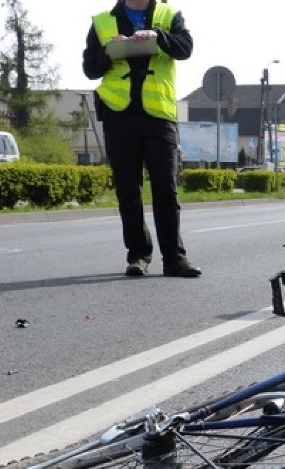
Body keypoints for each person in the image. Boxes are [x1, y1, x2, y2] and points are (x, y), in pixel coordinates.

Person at [82, 0, 201, 278]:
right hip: (118, 114)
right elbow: (90, 69)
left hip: (158, 115)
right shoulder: (102, 21)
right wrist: (109, 51)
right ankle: (138, 255)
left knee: (165, 189)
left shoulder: (169, 15)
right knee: (128, 189)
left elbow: (186, 49)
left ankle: (174, 259)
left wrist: (158, 37)